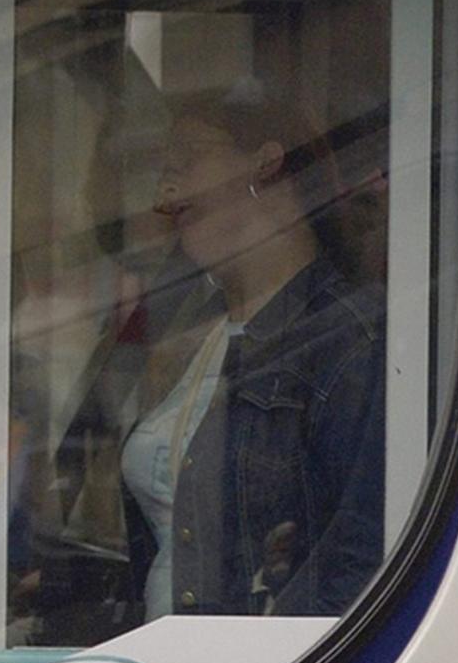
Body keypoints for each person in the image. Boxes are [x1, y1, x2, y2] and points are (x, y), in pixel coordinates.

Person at [121, 81, 386, 619]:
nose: (163, 199)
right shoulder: (192, 331)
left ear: (266, 163)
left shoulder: (347, 339)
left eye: (186, 163)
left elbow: (363, 561)